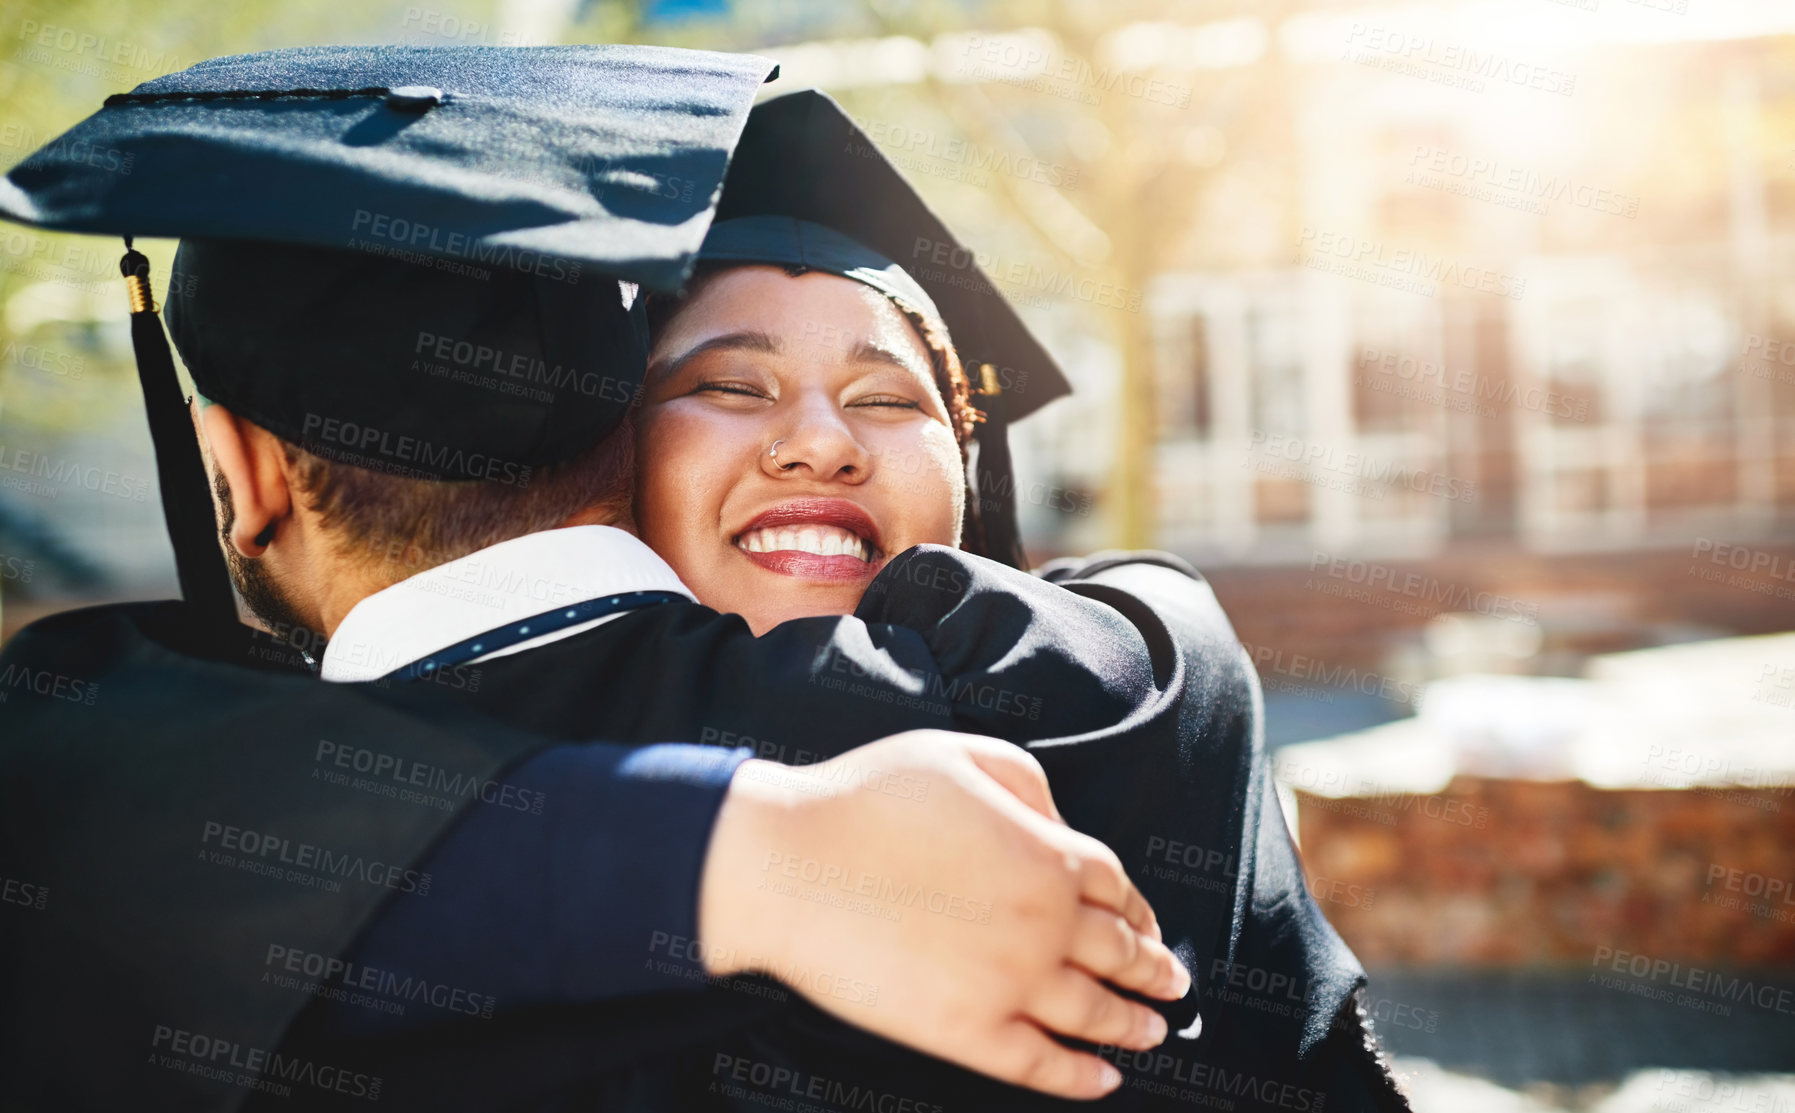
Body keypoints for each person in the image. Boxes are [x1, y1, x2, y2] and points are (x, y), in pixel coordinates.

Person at [0, 47, 1407, 1113]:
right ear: (617, 441)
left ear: (234, 476)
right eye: (725, 381)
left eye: (892, 397)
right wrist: (744, 849)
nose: (815, 439)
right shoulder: (1107, 695)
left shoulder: (141, 821)